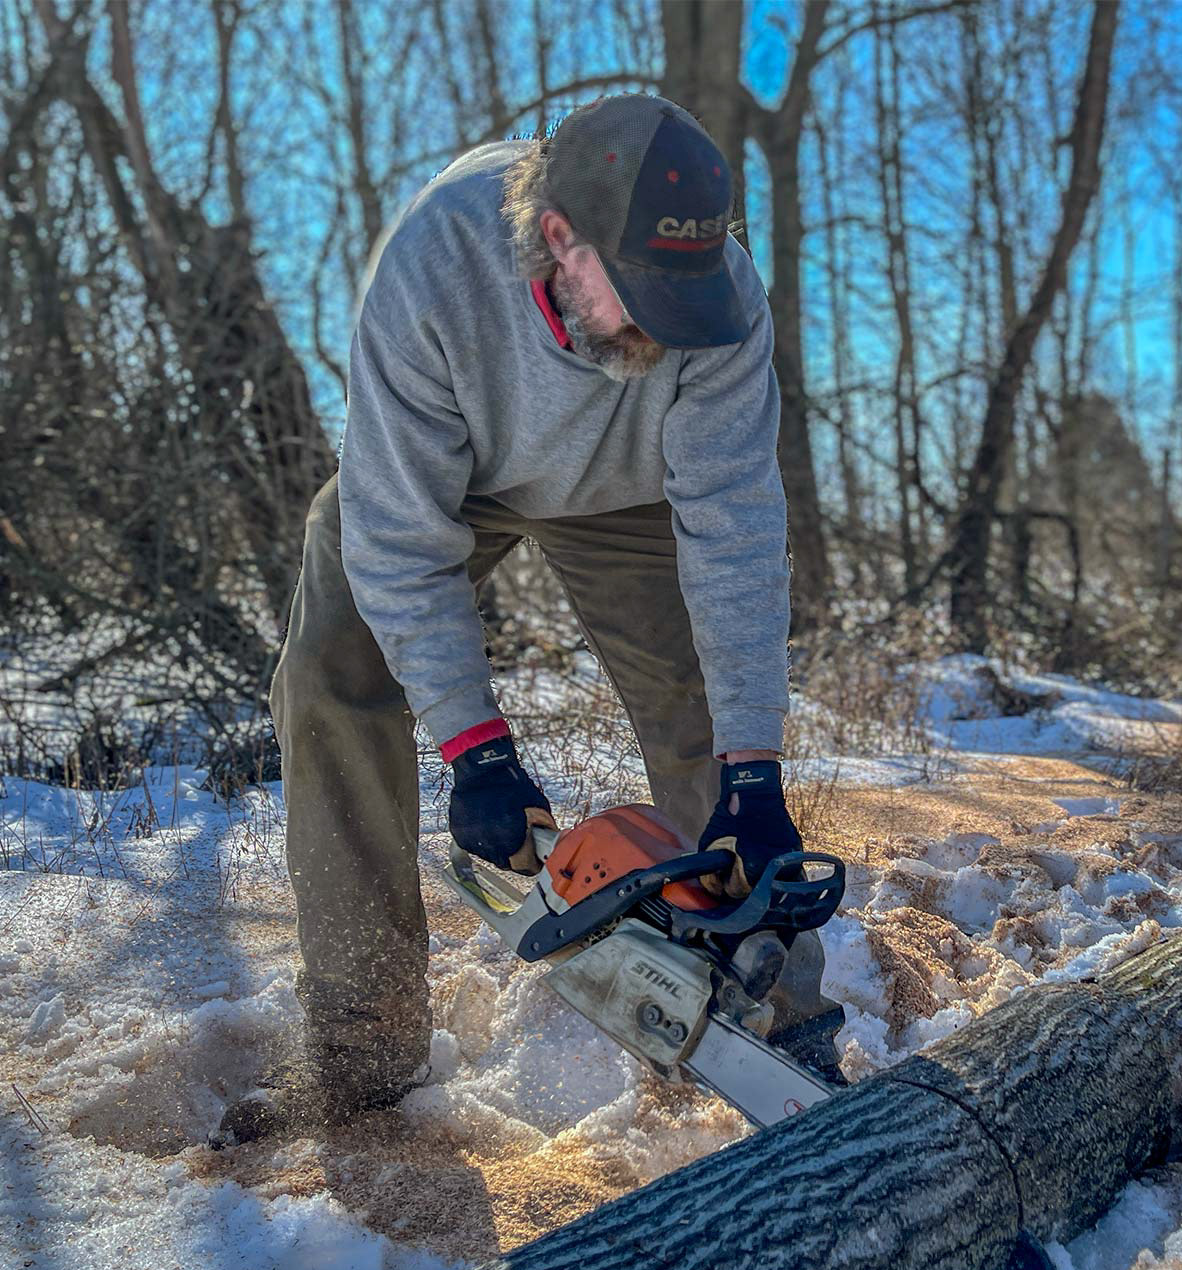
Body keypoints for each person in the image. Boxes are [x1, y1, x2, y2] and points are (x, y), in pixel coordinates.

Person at [220, 94, 841, 1143]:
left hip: (643, 489)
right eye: (643, 293)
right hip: (449, 476)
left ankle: (780, 1026)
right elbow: (399, 543)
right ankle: (361, 1042)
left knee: (698, 706)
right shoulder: (433, 269)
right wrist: (476, 748)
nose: (668, 322)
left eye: (684, 294)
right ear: (560, 237)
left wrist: (754, 771)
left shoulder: (720, 294)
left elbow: (732, 530)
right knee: (329, 670)